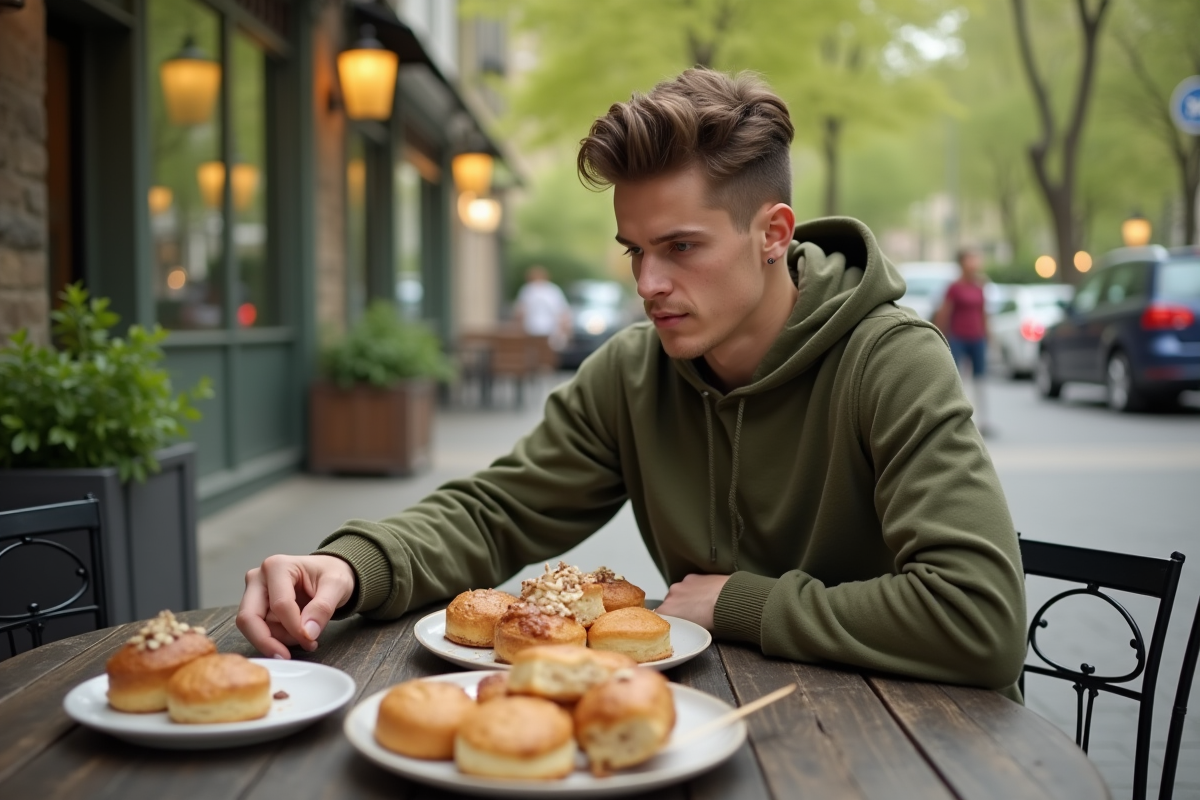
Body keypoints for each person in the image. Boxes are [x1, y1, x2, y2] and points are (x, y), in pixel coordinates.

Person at [237, 69, 1026, 699]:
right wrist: (350, 566)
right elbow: (494, 514)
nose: (648, 284)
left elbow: (978, 618)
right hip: (705, 721)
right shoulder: (632, 370)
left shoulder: (891, 360)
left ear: (773, 235)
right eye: (634, 251)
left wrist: (739, 602)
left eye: (681, 247)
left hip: (910, 741)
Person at [935, 248, 991, 435]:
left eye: (975, 258)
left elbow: (984, 312)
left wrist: (988, 335)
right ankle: (959, 420)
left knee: (980, 378)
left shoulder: (980, 285)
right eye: (970, 259)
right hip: (958, 337)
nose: (974, 262)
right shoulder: (954, 287)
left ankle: (983, 421)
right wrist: (941, 336)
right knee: (958, 378)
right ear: (962, 263)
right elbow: (944, 313)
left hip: (977, 338)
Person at [513, 265, 572, 350]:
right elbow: (563, 311)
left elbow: (520, 313)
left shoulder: (529, 290)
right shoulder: (551, 289)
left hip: (539, 330)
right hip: (542, 330)